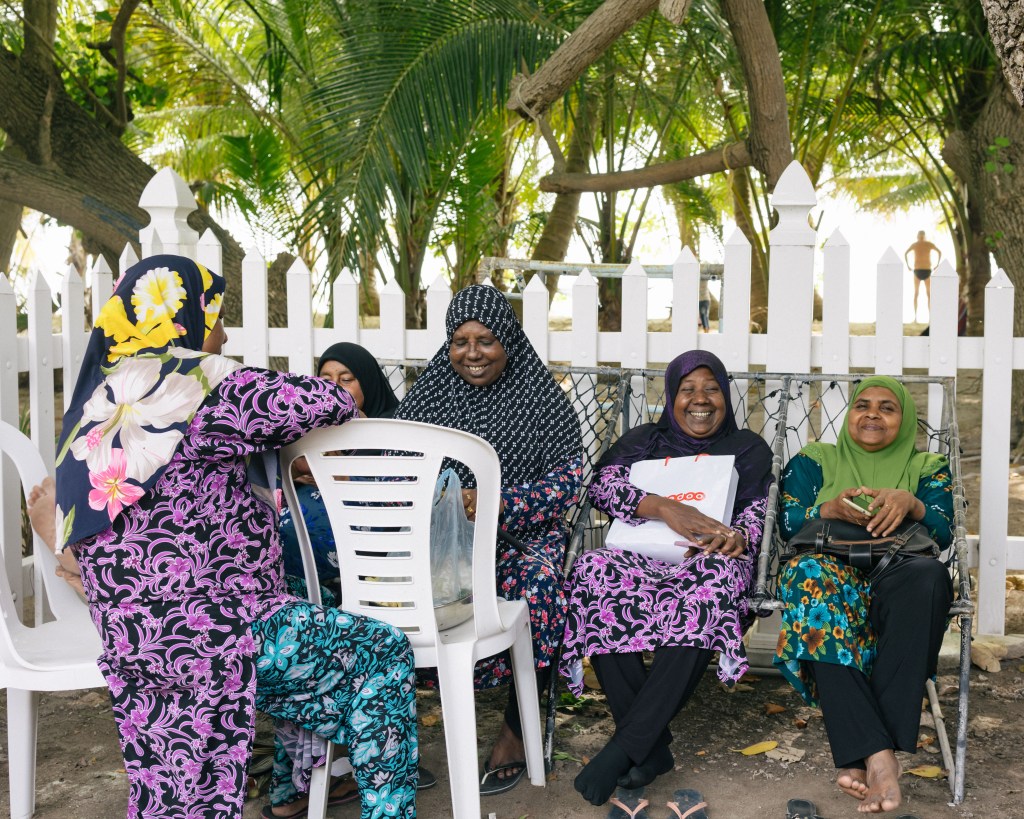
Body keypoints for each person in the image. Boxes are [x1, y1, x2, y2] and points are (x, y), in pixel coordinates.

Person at [54, 255, 418, 819]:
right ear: (186, 318)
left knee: (176, 783)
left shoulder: (95, 402)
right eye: (216, 314)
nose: (222, 331)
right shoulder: (200, 386)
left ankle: (300, 780)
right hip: (219, 634)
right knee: (382, 651)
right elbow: (332, 399)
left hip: (134, 644)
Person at [559, 350, 774, 808]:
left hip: (708, 559)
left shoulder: (748, 447)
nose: (700, 399)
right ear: (672, 396)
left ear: (726, 395)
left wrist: (738, 536)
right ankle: (649, 748)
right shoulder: (643, 440)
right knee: (592, 575)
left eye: (711, 389)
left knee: (707, 587)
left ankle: (626, 748)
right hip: (640, 557)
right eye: (687, 390)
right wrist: (662, 507)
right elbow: (602, 486)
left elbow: (758, 508)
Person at [393, 284, 584, 795]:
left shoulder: (541, 397)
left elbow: (569, 478)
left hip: (521, 534)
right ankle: (389, 735)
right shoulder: (431, 393)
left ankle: (516, 729)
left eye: (485, 340)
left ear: (510, 342)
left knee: (542, 586)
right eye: (460, 340)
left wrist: (500, 502)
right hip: (439, 538)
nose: (471, 353)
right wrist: (439, 501)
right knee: (383, 585)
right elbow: (395, 468)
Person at [773, 375, 953, 814]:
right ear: (850, 414)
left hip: (900, 566)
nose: (873, 414)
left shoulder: (926, 466)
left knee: (930, 578)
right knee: (811, 582)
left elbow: (944, 531)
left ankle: (863, 751)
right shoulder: (816, 459)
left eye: (888, 408)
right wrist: (825, 509)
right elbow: (789, 523)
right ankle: (881, 759)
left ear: (904, 419)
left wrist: (912, 504)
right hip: (829, 565)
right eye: (863, 405)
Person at [278, 341, 400, 583]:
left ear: (367, 383)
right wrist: (293, 473)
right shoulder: (305, 427)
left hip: (365, 538)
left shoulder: (392, 428)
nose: (333, 388)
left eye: (346, 380)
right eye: (325, 379)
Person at [903, 230, 942, 322]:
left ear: (924, 236)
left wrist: (937, 265)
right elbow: (905, 253)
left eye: (922, 236)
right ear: (917, 236)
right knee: (916, 293)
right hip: (917, 270)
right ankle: (915, 317)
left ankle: (930, 318)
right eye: (919, 236)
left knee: (929, 294)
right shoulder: (914, 245)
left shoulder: (929, 244)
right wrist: (908, 265)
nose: (921, 237)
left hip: (927, 270)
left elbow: (939, 252)